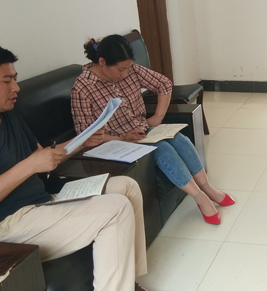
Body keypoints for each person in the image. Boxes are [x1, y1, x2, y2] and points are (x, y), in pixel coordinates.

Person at [0, 43, 178, 291]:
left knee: (125, 187)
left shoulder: (8, 116)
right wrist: (28, 166)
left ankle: (128, 288)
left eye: (15, 79)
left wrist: (82, 142)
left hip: (40, 203)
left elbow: (43, 156)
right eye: (6, 81)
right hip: (2, 228)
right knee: (115, 208)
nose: (16, 88)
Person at [70, 35, 233, 225]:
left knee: (180, 140)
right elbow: (87, 135)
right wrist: (122, 138)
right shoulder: (83, 88)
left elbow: (164, 84)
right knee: (163, 150)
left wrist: (157, 117)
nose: (125, 74)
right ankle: (200, 199)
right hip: (113, 143)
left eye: (128, 68)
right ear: (102, 62)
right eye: (121, 69)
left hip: (142, 131)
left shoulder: (130, 70)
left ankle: (208, 188)